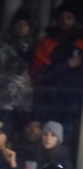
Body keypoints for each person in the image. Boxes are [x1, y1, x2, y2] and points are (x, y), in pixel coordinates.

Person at [31, 2, 83, 156]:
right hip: (50, 100)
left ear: (75, 20)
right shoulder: (46, 43)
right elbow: (40, 73)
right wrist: (67, 64)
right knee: (47, 139)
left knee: (68, 141)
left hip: (75, 102)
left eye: (69, 17)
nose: (64, 21)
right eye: (61, 17)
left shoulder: (81, 43)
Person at [0, 10, 35, 112]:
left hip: (23, 95)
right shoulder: (4, 46)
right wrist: (16, 61)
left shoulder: (31, 46)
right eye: (18, 24)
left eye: (25, 25)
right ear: (13, 26)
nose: (21, 28)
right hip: (5, 93)